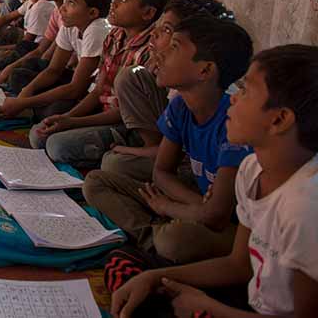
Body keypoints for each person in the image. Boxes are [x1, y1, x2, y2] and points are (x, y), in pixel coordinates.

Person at [110, 44, 318, 318]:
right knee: (125, 265)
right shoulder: (252, 169)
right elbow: (238, 265)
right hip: (250, 300)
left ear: (279, 119)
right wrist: (154, 277)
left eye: (245, 91)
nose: (233, 99)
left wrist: (212, 310)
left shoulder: (305, 206)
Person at [84, 16, 254, 266]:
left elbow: (219, 216)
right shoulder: (180, 106)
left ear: (205, 70)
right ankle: (152, 239)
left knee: (175, 239)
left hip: (233, 227)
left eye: (174, 47)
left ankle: (157, 239)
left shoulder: (233, 123)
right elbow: (162, 171)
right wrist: (190, 206)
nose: (160, 54)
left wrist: (169, 207)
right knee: (95, 182)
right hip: (195, 202)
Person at [29, 0, 172, 167]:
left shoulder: (151, 50)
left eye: (123, 0)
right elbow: (98, 90)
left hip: (130, 125)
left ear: (147, 13)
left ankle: (121, 149)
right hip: (103, 110)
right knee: (39, 135)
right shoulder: (114, 37)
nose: (113, 5)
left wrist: (73, 122)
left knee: (57, 146)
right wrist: (67, 118)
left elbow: (125, 111)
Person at [102, 0, 235, 182]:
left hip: (195, 170)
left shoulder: (220, 107)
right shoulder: (179, 95)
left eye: (167, 31)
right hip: (168, 153)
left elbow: (217, 207)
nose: (154, 34)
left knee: (112, 165)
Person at [0, 0, 113, 121]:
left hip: (92, 93)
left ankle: (35, 110)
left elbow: (76, 89)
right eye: (64, 0)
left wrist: (24, 102)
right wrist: (26, 93)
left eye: (70, 2)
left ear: (92, 13)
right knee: (23, 77)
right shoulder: (70, 24)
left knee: (55, 110)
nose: (61, 8)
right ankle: (31, 108)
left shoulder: (97, 30)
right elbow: (53, 69)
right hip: (75, 82)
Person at [0, 0, 89, 91]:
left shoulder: (71, 21)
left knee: (18, 74)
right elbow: (43, 53)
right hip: (59, 65)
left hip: (74, 76)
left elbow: (72, 75)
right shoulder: (59, 13)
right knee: (21, 65)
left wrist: (24, 97)